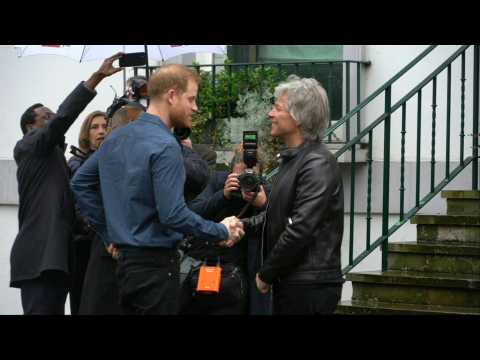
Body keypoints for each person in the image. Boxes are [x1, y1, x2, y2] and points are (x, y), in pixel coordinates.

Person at [71, 64, 244, 315]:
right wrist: (220, 229)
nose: (195, 107)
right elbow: (172, 214)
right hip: (155, 268)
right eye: (191, 99)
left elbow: (80, 184)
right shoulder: (166, 145)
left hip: (125, 267)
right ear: (172, 95)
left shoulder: (117, 137)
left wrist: (110, 234)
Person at [10, 53, 123, 315]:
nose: (54, 119)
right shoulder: (28, 146)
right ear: (30, 127)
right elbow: (63, 117)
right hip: (40, 258)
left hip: (58, 260)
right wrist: (96, 78)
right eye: (46, 117)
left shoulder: (54, 159)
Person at [247, 75, 344, 315]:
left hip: (309, 285)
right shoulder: (294, 160)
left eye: (277, 108)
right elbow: (279, 217)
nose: (270, 114)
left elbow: (300, 228)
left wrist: (266, 273)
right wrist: (240, 227)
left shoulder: (317, 163)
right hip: (296, 281)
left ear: (298, 117)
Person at [180, 145, 271, 315]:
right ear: (230, 172)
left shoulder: (264, 190)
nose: (245, 182)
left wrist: (263, 203)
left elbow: (277, 221)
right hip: (202, 264)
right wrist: (223, 195)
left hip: (237, 273)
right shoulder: (217, 182)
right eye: (240, 177)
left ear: (260, 176)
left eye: (251, 177)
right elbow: (191, 213)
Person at [67, 110, 108, 315]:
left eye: (105, 126)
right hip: (85, 245)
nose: (101, 131)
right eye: (95, 127)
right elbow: (76, 208)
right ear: (86, 133)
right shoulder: (77, 164)